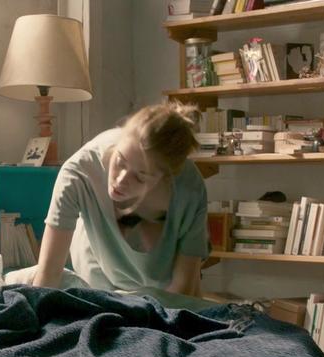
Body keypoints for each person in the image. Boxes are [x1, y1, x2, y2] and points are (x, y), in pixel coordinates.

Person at [32, 101, 208, 296]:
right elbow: (48, 274)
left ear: (165, 178)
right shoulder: (78, 173)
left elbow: (183, 289)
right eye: (120, 161)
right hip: (99, 267)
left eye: (140, 176)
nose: (121, 180)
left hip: (163, 283)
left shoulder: (189, 189)